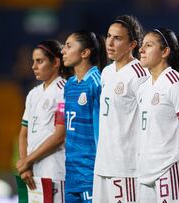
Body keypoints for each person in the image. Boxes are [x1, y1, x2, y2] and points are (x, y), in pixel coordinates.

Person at [93, 15, 148, 203]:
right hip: (102, 164)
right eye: (108, 36)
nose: (110, 42)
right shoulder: (106, 72)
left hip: (126, 166)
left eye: (117, 38)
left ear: (132, 44)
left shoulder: (140, 74)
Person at [136, 28, 179, 203]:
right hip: (146, 172)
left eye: (148, 45)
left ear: (165, 52)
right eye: (142, 45)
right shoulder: (143, 87)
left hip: (171, 169)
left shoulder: (175, 83)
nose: (141, 50)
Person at [16, 40, 72, 201]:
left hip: (53, 171)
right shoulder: (33, 94)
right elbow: (23, 134)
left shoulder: (64, 91)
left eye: (39, 61)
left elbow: (59, 135)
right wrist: (25, 167)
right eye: (33, 61)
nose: (34, 66)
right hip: (31, 172)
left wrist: (26, 161)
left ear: (55, 62)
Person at [61, 30, 107, 202]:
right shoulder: (69, 85)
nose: (63, 51)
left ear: (85, 52)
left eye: (68, 46)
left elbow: (102, 130)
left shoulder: (97, 82)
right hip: (71, 172)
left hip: (90, 172)